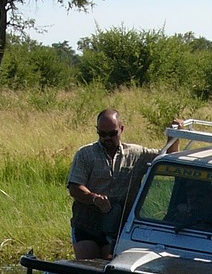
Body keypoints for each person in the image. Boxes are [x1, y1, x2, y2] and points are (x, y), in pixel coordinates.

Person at [67, 109, 158, 259]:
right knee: (88, 267)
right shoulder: (85, 154)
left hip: (118, 226)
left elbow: (167, 156)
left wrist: (174, 135)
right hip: (87, 223)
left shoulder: (137, 153)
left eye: (112, 133)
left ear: (121, 129)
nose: (107, 138)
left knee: (113, 268)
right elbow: (74, 188)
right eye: (102, 134)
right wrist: (94, 198)